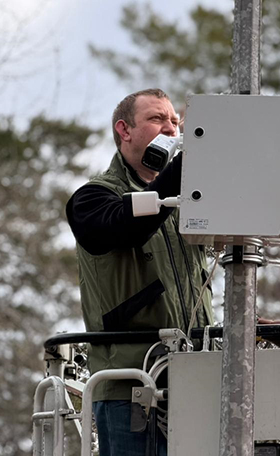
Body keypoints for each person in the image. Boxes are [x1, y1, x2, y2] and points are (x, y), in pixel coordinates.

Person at [66, 88, 214, 456]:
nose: (171, 128)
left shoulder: (188, 204)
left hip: (198, 379)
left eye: (176, 122)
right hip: (129, 385)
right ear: (124, 130)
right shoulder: (92, 197)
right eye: (157, 119)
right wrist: (187, 165)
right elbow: (126, 226)